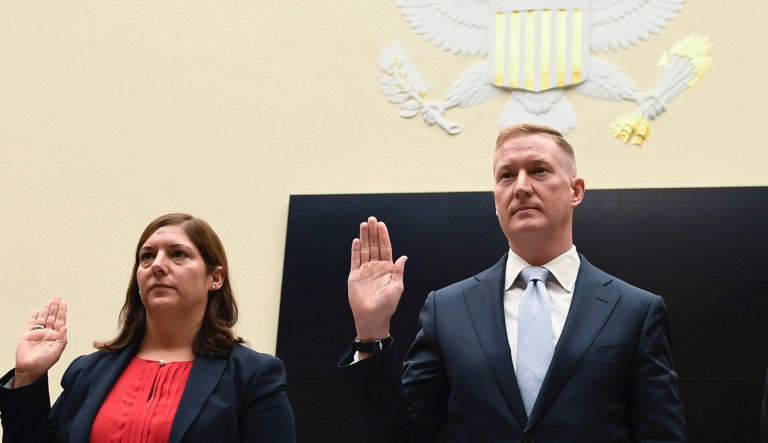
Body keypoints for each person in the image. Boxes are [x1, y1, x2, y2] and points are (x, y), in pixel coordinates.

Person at [338, 123, 686, 442]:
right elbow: (402, 437)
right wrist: (371, 332)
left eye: (539, 170)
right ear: (495, 200)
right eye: (506, 176)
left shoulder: (635, 311)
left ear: (575, 190)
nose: (521, 187)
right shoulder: (447, 310)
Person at [0, 213, 295, 443]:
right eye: (147, 256)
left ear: (214, 278)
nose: (158, 265)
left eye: (178, 254)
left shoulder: (252, 375)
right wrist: (28, 376)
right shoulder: (86, 373)